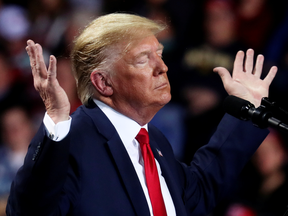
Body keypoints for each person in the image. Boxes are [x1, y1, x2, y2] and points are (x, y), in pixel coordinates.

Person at [6, 13, 277, 216]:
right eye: (143, 59)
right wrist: (55, 118)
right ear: (103, 82)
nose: (162, 67)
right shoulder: (75, 138)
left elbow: (197, 192)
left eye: (159, 54)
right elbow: (30, 211)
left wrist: (247, 109)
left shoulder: (152, 141)